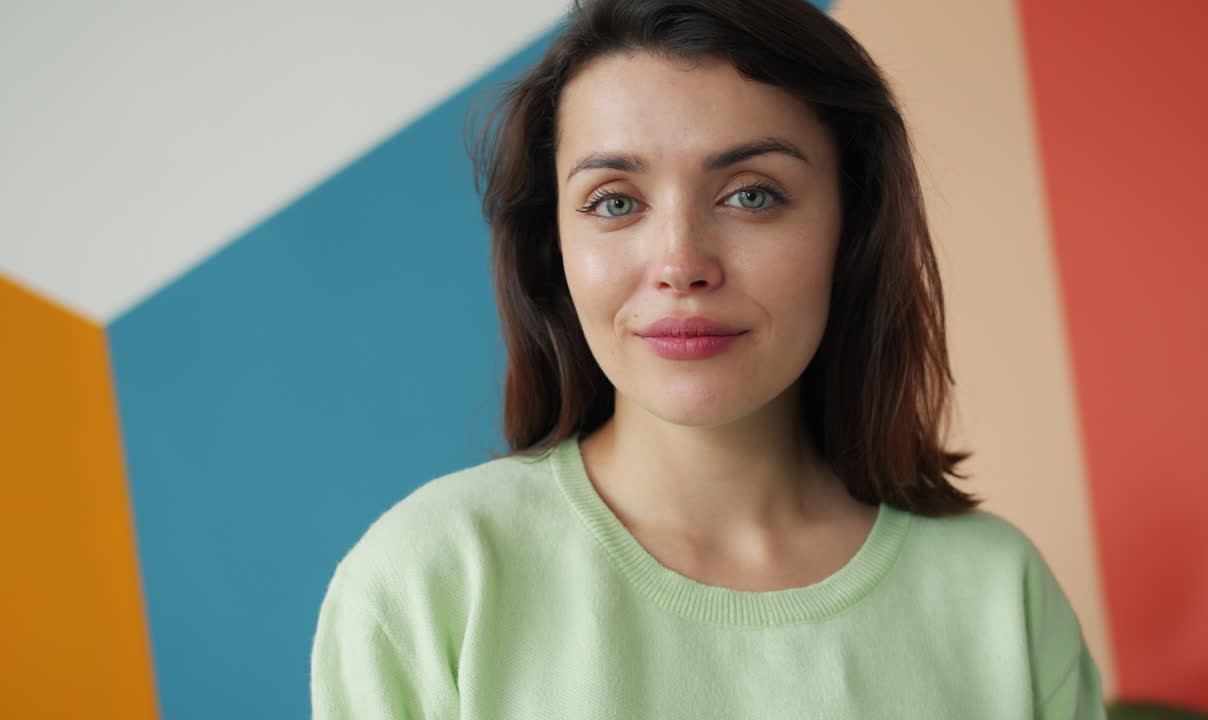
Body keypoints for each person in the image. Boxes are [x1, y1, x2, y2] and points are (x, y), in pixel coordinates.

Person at [310, 0, 1107, 717]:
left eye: (751, 194)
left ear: (852, 228)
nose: (681, 263)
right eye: (615, 202)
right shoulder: (429, 585)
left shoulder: (1001, 597)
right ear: (552, 247)